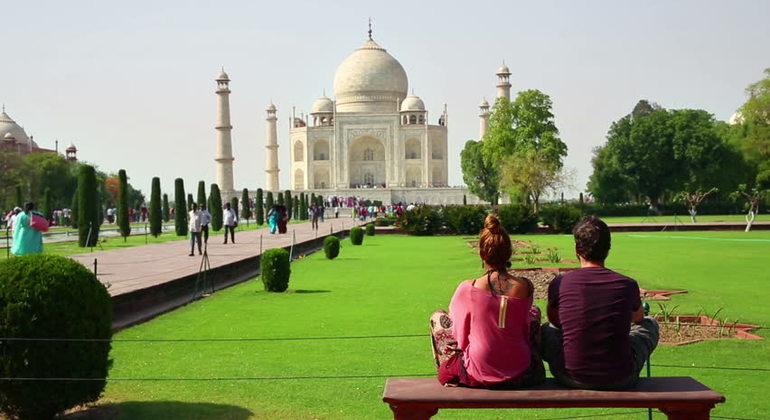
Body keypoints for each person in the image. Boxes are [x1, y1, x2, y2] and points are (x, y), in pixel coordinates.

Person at [541, 215, 659, 390]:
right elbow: (638, 318)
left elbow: (555, 322)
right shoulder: (627, 284)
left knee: (544, 330)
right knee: (650, 324)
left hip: (569, 374)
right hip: (621, 376)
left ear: (576, 248)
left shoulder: (560, 283)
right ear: (608, 248)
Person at [429, 214, 544, 388]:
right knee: (533, 312)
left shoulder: (468, 288)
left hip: (480, 368)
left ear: (482, 254)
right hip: (521, 367)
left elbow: (459, 337)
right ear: (509, 253)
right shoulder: (525, 287)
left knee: (438, 317)